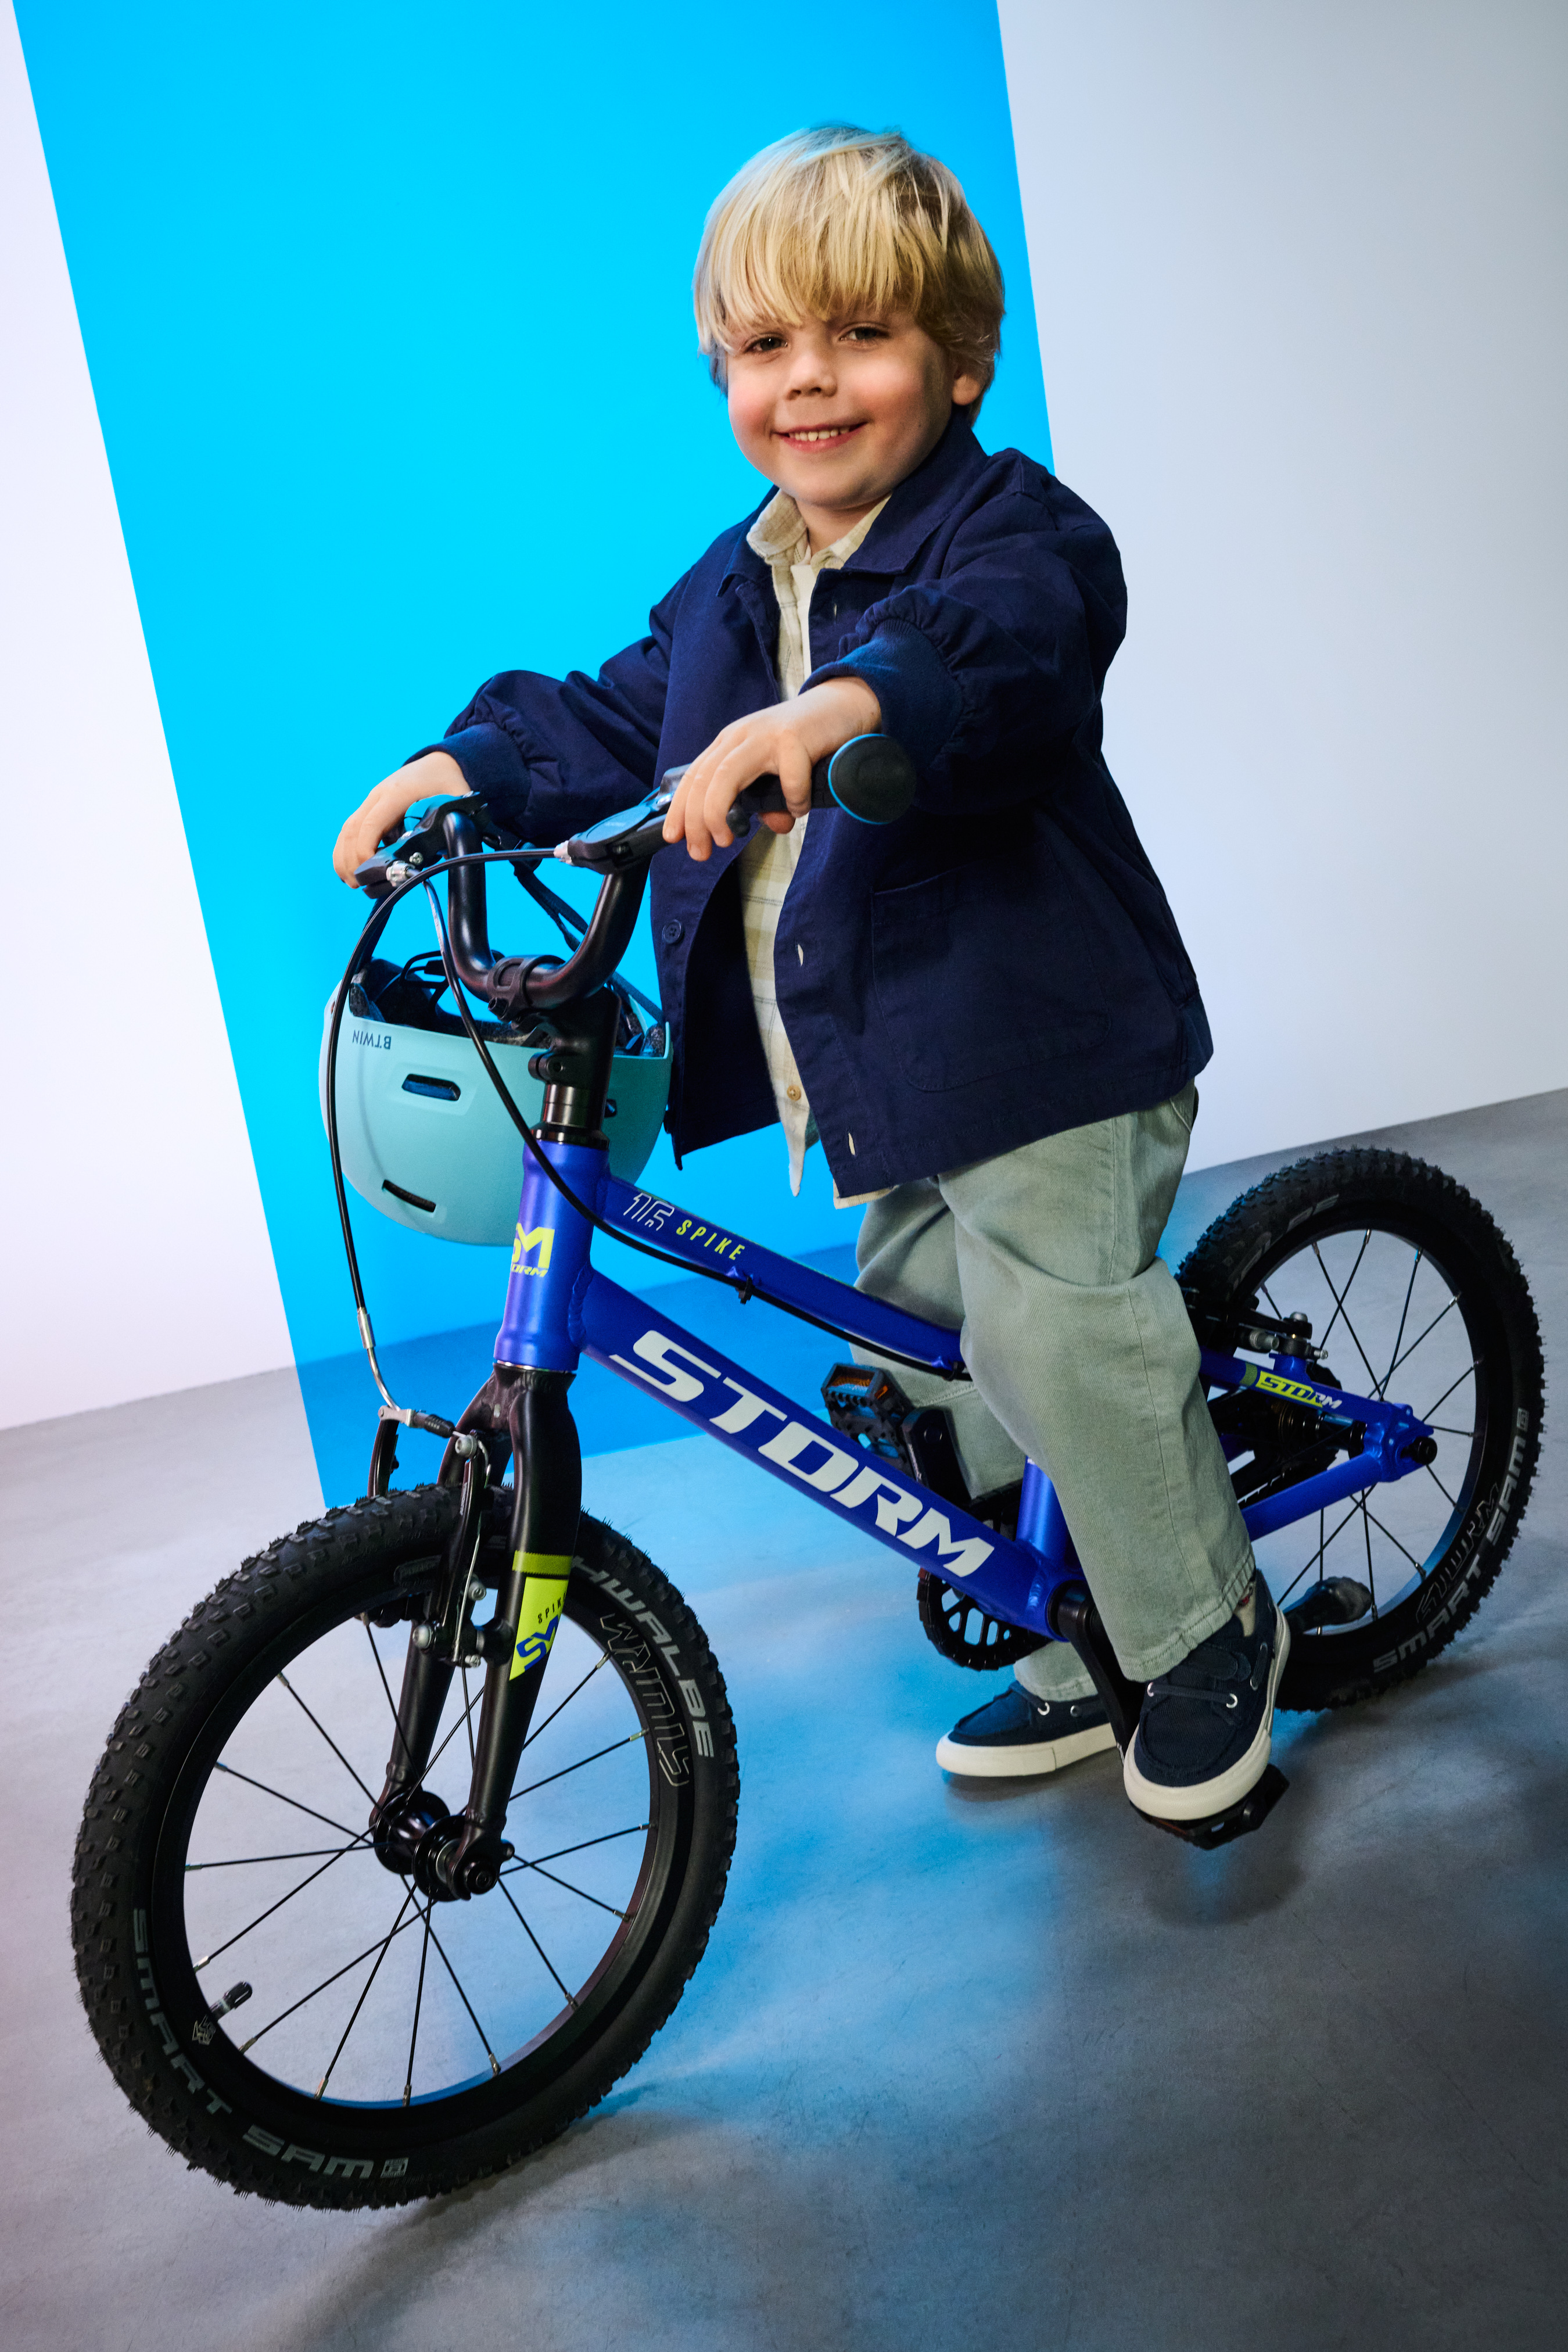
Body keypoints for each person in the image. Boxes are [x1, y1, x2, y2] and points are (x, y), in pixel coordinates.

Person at [332, 124, 1288, 1827]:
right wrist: (473, 764)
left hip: (1042, 1047)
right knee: (924, 1342)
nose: (810, 381)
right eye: (766, 344)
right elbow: (626, 708)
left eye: (861, 335)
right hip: (883, 1064)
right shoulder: (737, 581)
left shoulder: (1014, 533)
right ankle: (1082, 1628)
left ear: (961, 359)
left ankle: (1204, 1625)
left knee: (1051, 1332)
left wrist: (840, 710)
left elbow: (998, 653)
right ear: (724, 371)